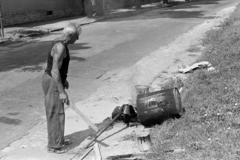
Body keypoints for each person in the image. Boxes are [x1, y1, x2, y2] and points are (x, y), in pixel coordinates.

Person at [42, 23, 82, 154]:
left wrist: (63, 80)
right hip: (52, 81)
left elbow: (57, 67)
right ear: (70, 35)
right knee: (55, 113)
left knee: (58, 112)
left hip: (53, 79)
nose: (78, 39)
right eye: (76, 36)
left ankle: (59, 139)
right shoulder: (60, 47)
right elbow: (54, 71)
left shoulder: (60, 42)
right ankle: (54, 146)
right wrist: (62, 92)